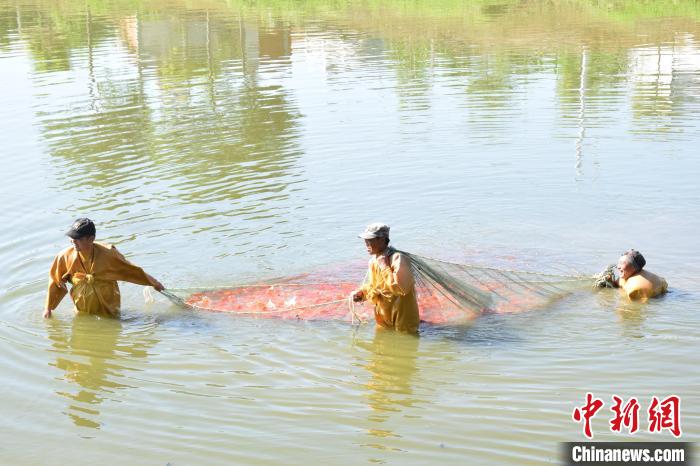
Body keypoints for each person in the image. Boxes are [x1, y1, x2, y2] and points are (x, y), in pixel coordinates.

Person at [44, 218, 164, 318]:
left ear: (91, 239)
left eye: (78, 238)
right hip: (82, 308)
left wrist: (155, 283)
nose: (73, 241)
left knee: (111, 327)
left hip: (109, 306)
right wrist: (48, 308)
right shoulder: (64, 257)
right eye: (71, 238)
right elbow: (55, 281)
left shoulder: (108, 254)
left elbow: (131, 270)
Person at [352, 223, 420, 334]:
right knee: (379, 349)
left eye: (370, 240)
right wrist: (362, 294)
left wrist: (384, 266)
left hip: (402, 318)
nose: (366, 244)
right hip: (383, 317)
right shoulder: (374, 261)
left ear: (382, 240)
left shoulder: (398, 258)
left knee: (406, 343)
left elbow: (400, 289)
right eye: (365, 240)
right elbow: (376, 286)